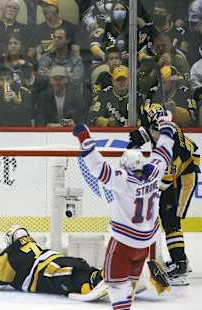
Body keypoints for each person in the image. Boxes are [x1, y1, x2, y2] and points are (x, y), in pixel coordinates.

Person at [72, 112, 175, 309]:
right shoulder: (155, 171)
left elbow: (97, 167)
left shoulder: (123, 180)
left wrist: (84, 138)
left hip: (123, 244)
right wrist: (165, 123)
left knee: (116, 289)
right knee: (128, 287)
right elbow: (165, 148)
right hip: (144, 245)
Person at [128, 103, 200, 286]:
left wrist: (148, 194)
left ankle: (180, 264)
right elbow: (143, 130)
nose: (157, 134)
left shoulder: (171, 147)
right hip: (176, 173)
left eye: (160, 130)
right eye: (154, 129)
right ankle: (180, 260)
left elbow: (164, 182)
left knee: (171, 218)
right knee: (169, 217)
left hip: (185, 175)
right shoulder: (159, 125)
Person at [0, 225, 108, 300]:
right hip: (55, 258)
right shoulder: (32, 243)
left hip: (43, 272)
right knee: (79, 268)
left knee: (68, 276)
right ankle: (101, 275)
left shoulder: (10, 252)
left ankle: (91, 284)